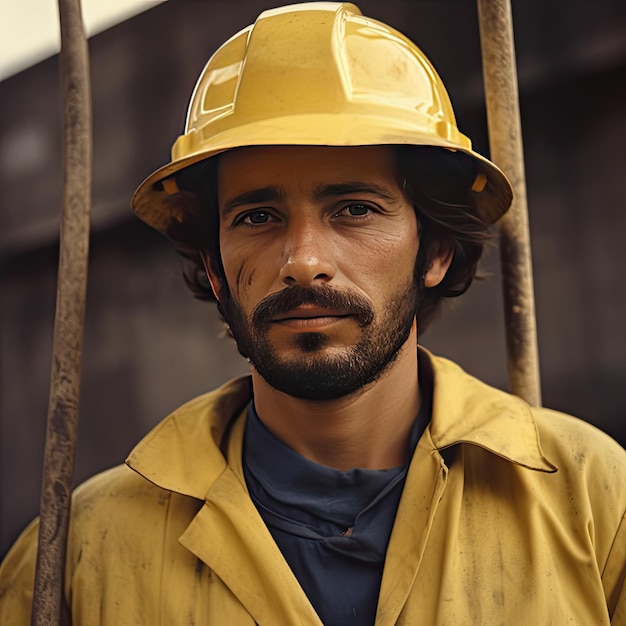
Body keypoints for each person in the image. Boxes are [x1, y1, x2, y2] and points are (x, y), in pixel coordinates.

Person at [1, 3, 625, 624]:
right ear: (215, 270)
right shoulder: (76, 557)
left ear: (434, 251)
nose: (303, 261)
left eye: (354, 209)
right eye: (256, 217)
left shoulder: (593, 501)